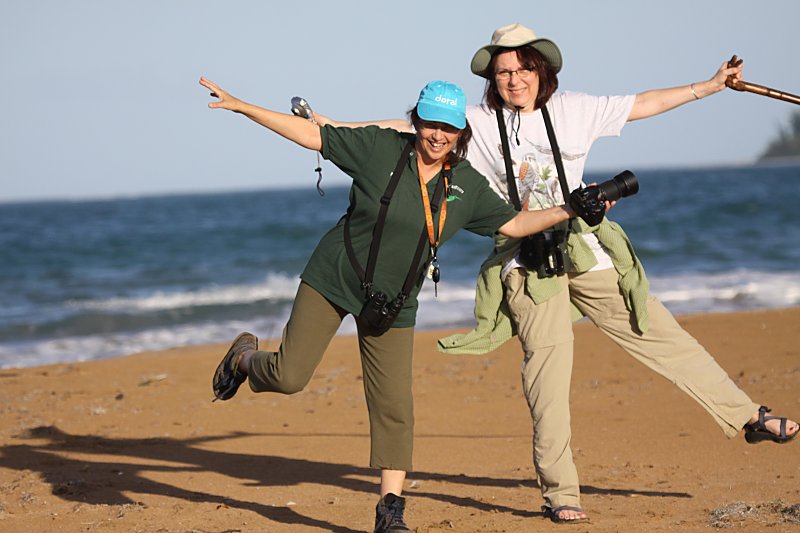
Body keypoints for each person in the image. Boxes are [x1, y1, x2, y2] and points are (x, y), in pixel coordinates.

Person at [315, 23, 799, 525]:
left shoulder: (575, 109)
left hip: (585, 250)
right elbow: (395, 129)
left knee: (658, 330)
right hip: (526, 263)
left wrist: (711, 85)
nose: (514, 79)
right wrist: (330, 127)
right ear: (492, 79)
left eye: (523, 68)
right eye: (503, 72)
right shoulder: (475, 123)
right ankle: (561, 493)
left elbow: (644, 103)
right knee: (547, 378)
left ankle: (748, 416)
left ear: (541, 70)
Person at [198, 76, 581, 533]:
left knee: (394, 406)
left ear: (461, 132)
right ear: (416, 121)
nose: (438, 135)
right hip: (336, 277)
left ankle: (390, 511)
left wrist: (571, 209)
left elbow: (515, 223)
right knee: (288, 376)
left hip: (394, 302)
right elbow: (312, 135)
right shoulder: (379, 148)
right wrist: (243, 106)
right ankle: (243, 359)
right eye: (430, 124)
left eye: (449, 128)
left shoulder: (466, 185)